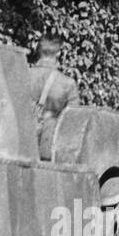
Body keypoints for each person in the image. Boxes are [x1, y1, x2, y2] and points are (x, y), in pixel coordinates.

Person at [27, 29, 81, 160]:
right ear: (59, 53)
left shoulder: (21, 75)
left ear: (38, 50)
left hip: (19, 144)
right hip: (49, 150)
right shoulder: (67, 84)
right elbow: (73, 122)